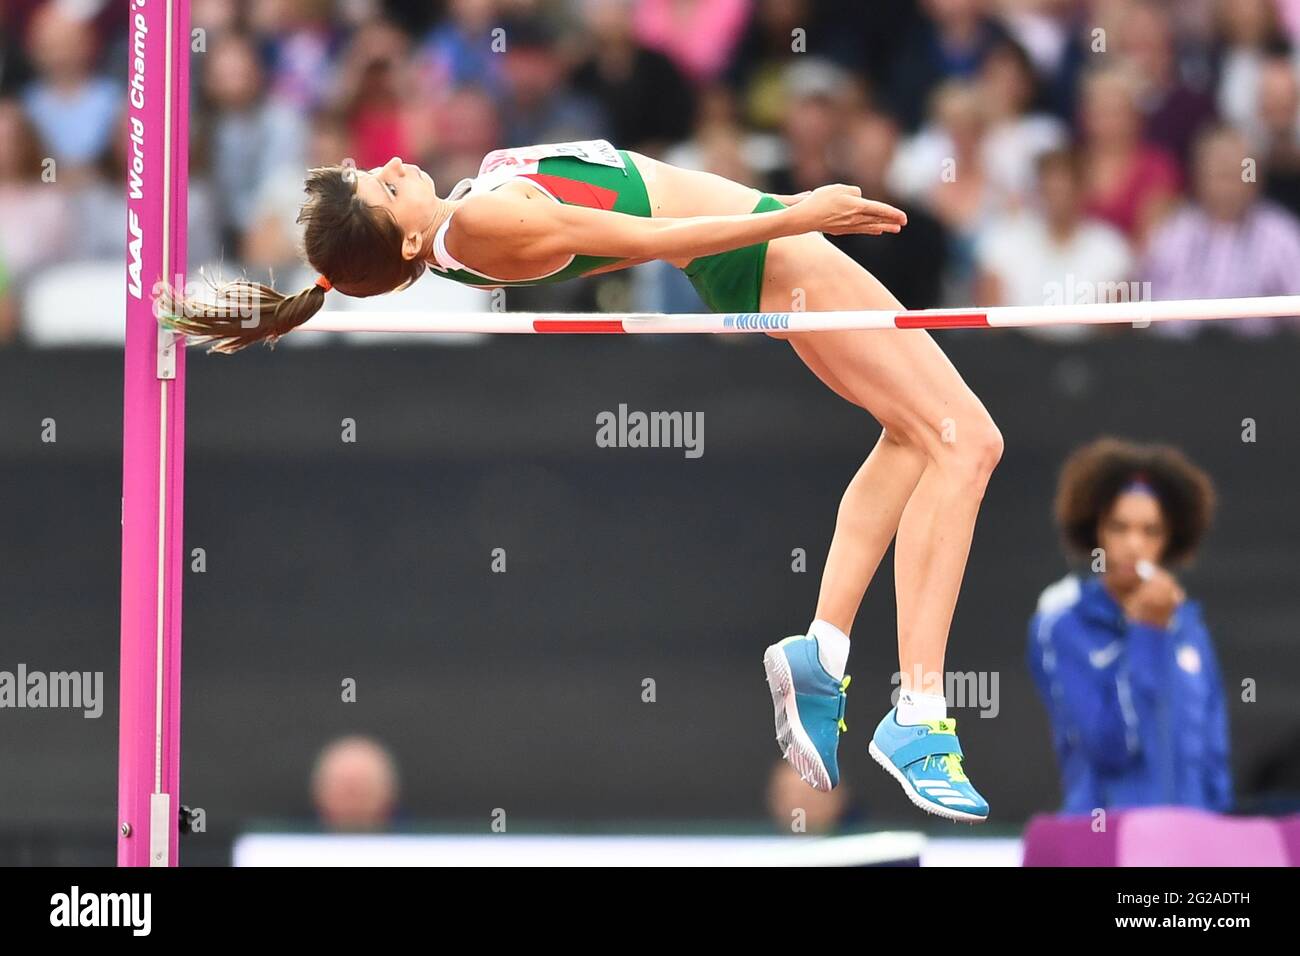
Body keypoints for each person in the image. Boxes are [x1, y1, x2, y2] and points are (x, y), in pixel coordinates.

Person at [165, 137, 1004, 822]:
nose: (388, 167)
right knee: (966, 442)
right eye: (381, 189)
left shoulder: (464, 216)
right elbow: (644, 241)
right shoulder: (482, 221)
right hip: (768, 249)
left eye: (368, 170)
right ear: (410, 242)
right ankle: (919, 714)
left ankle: (822, 650)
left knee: (912, 433)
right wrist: (798, 211)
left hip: (759, 253)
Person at [1027, 438, 1231, 814]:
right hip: (1107, 840)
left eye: (1151, 531)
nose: (1134, 545)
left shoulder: (1188, 626)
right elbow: (1109, 747)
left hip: (1191, 845)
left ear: (1170, 539)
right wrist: (1145, 632)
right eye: (1119, 528)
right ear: (1096, 532)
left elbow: (1214, 757)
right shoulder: (1063, 624)